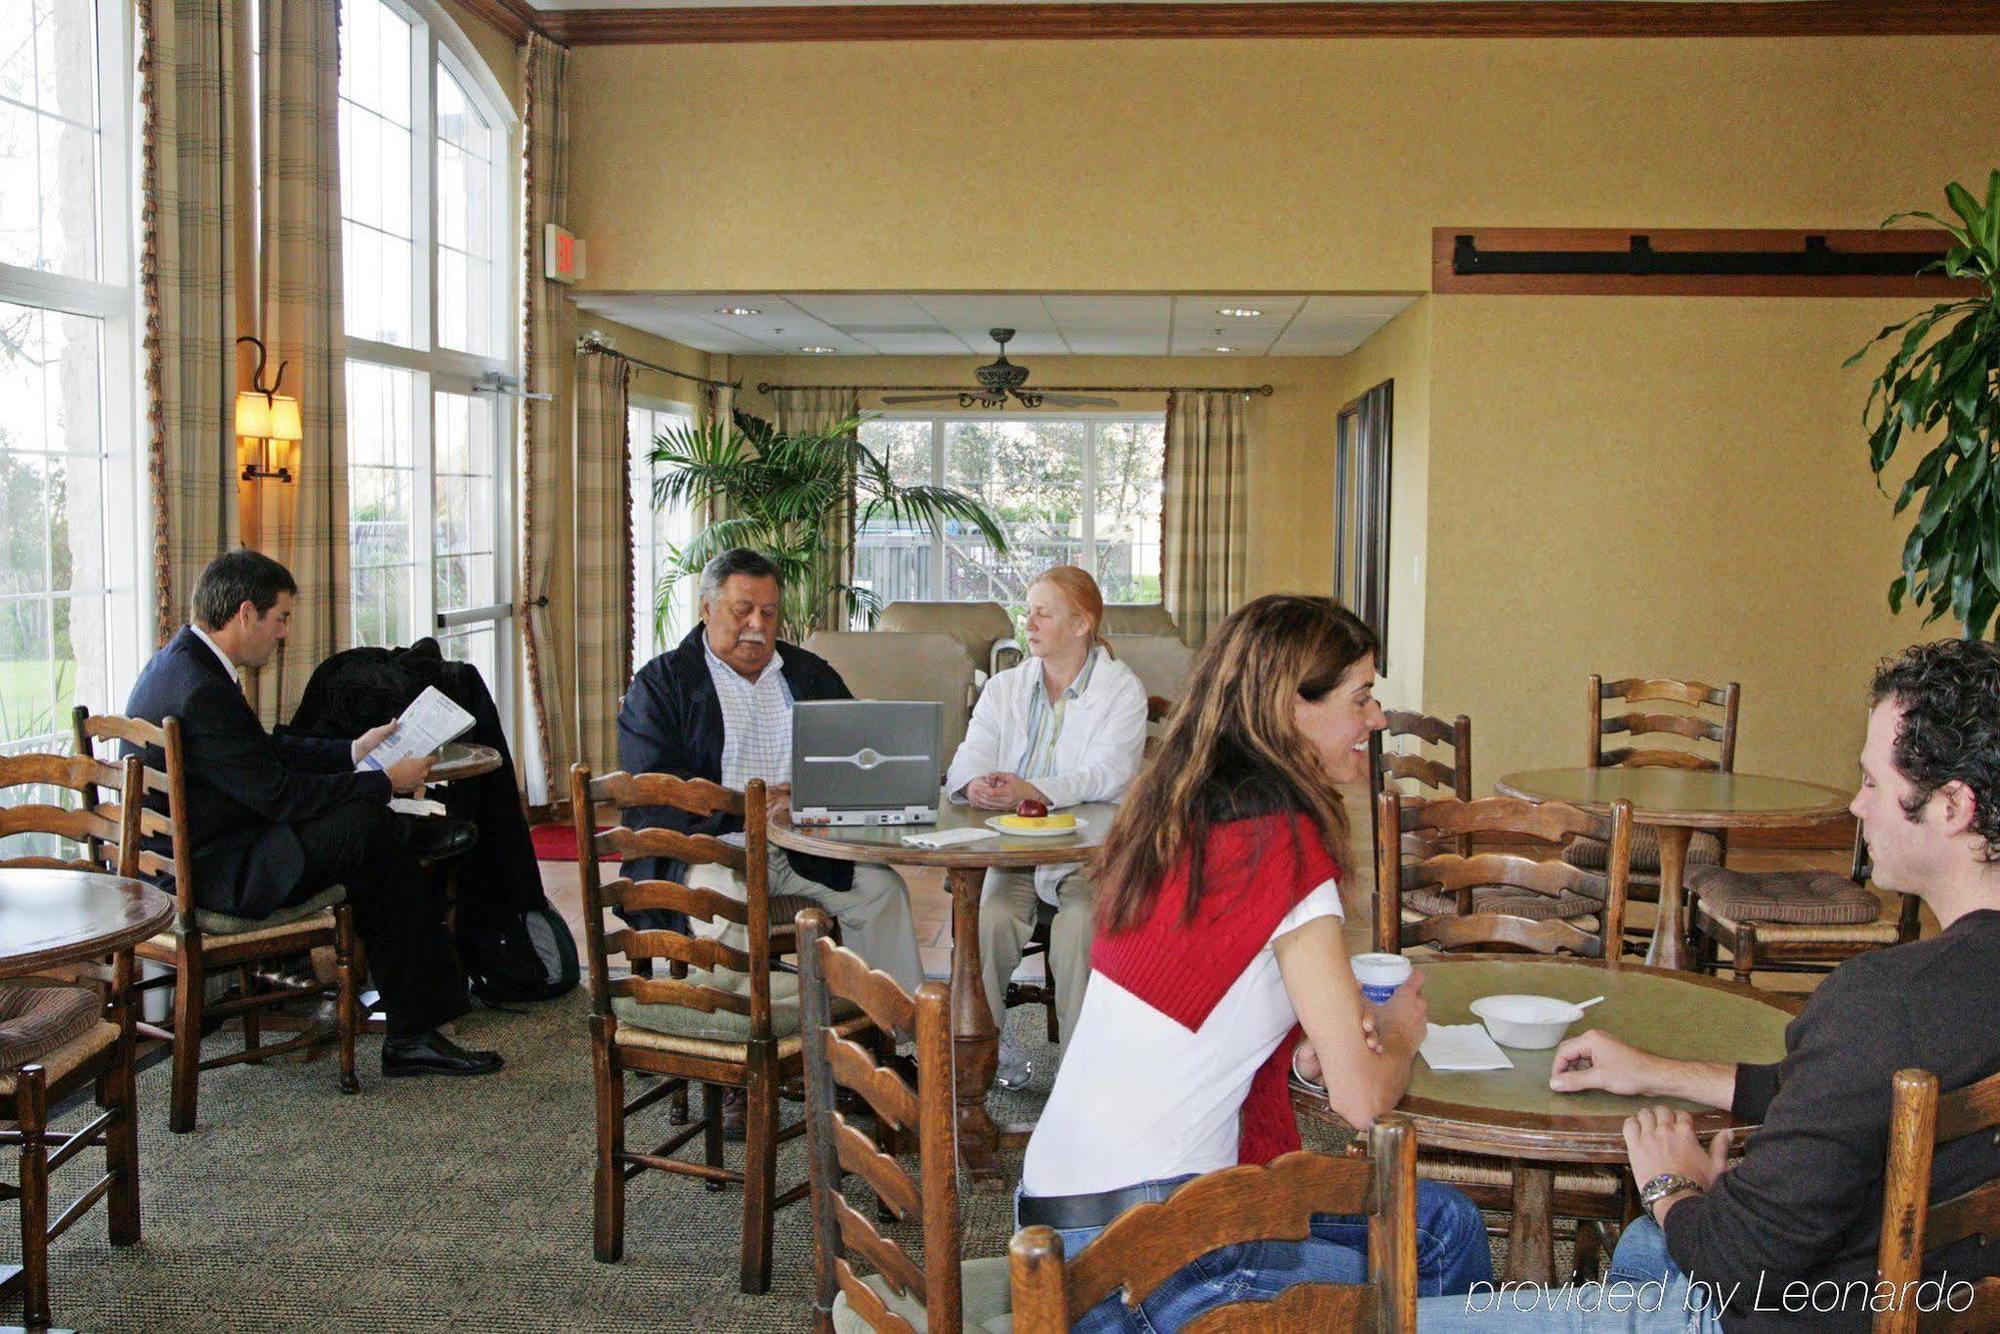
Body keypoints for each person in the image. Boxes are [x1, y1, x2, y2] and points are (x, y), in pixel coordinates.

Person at [1419, 637, 2000, 1332]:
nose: (1856, 805)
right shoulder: (1935, 1005)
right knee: (1643, 1248)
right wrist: (1663, 1074)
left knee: (1417, 1321)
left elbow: (1733, 1260)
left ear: (1952, 805)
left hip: (1788, 1313)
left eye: (1874, 782)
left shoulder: (1887, 1000)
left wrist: (1673, 1186)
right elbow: (1840, 1092)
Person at [1016, 594, 1492, 1329]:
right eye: (1361, 698)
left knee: (1441, 1217)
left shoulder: (1181, 811)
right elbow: (1363, 1102)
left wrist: (1306, 1044)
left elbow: (1210, 998)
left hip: (1058, 1217)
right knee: (1442, 1233)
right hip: (1150, 1254)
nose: (1377, 718)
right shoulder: (1285, 844)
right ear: (1290, 709)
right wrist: (1401, 1030)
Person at [124, 550, 501, 1077]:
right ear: (247, 613)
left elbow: (261, 754)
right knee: (373, 835)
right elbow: (279, 795)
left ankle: (410, 846)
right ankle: (414, 1032)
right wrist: (382, 781)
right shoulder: (204, 688)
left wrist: (352, 750)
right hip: (220, 875)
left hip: (190, 858)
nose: (283, 634)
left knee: (374, 842)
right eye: (281, 619)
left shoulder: (179, 662)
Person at [616, 546, 924, 993]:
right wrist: (750, 810)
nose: (757, 625)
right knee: (724, 906)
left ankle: (887, 1035)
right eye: (742, 610)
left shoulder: (809, 674)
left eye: (769, 612)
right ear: (707, 608)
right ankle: (746, 1041)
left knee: (882, 891)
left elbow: (857, 759)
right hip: (701, 851)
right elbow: (656, 792)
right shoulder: (662, 684)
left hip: (799, 848)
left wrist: (806, 799)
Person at [944, 566, 1147, 1088]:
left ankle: (1084, 1079)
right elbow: (967, 760)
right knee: (987, 919)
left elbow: (1110, 774)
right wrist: (977, 788)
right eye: (1027, 610)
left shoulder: (1121, 690)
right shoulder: (1004, 688)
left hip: (1087, 856)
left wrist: (1032, 790)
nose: (1027, 622)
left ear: (1081, 624)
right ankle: (972, 1067)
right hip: (1013, 851)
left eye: (1042, 612)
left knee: (1080, 926)